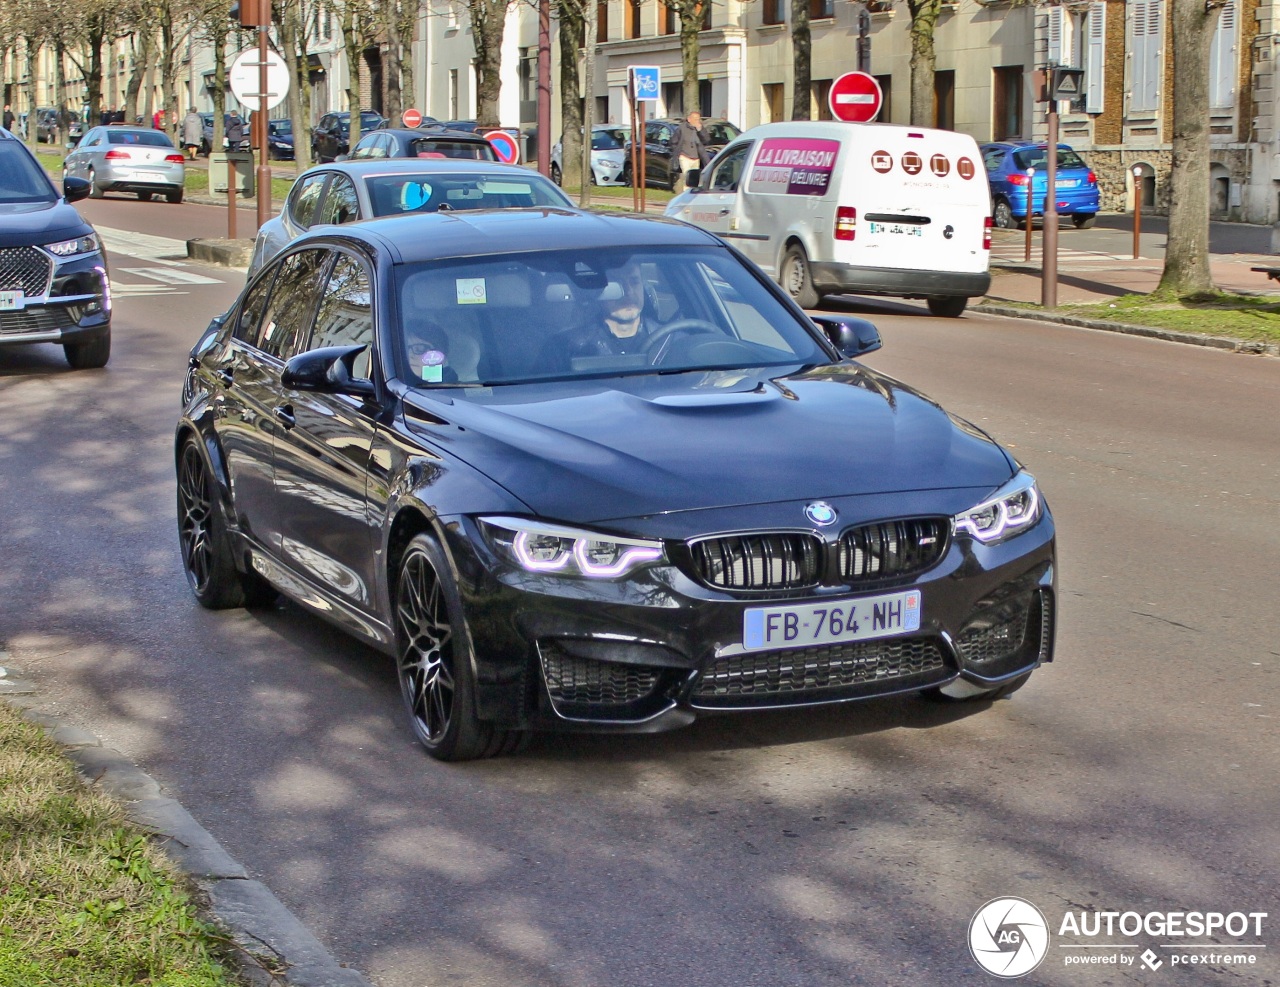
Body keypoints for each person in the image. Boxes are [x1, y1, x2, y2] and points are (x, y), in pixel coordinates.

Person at [541, 259, 655, 369]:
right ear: (599, 291)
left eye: (634, 282)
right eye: (617, 284)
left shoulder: (669, 339)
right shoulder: (566, 347)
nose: (629, 291)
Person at [671, 109, 711, 191]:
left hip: (696, 158)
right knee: (687, 177)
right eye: (695, 119)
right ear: (689, 119)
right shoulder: (682, 128)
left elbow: (706, 140)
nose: (697, 121)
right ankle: (686, 195)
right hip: (684, 156)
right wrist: (678, 153)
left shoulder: (700, 129)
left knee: (694, 179)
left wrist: (700, 130)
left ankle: (692, 194)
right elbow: (673, 141)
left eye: (698, 119)